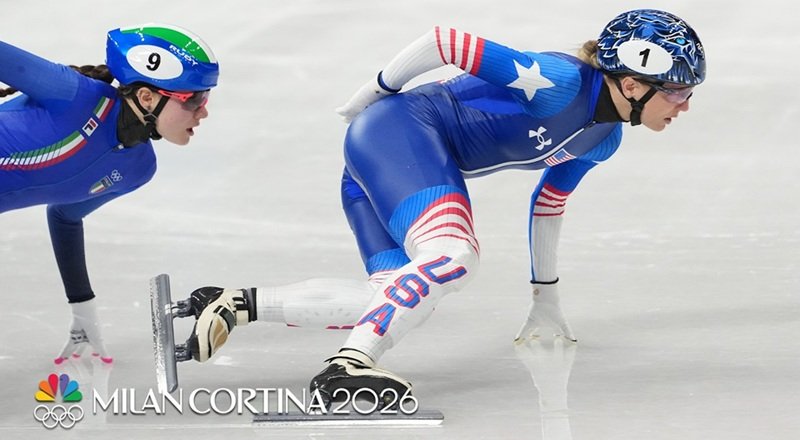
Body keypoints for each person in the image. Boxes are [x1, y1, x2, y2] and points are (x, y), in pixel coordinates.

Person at [182, 9, 705, 404]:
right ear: (633, 82)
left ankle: (237, 303)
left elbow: (549, 203)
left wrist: (544, 299)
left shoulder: (604, 139)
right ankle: (349, 364)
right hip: (399, 134)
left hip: (392, 163)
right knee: (456, 253)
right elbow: (445, 41)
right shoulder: (561, 80)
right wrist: (372, 94)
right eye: (679, 92)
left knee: (393, 300)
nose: (685, 106)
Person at [0, 24, 219, 365]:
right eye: (194, 99)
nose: (204, 110)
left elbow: (65, 216)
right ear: (147, 97)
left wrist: (83, 308)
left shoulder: (137, 168)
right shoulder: (73, 95)